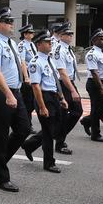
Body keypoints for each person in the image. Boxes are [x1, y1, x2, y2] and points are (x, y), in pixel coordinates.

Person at [0, 7, 31, 192]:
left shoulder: (11, 43)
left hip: (14, 91)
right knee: (0, 136)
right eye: (8, 22)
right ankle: (2, 178)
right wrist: (8, 94)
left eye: (12, 22)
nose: (12, 25)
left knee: (24, 129)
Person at [21, 30, 68, 172]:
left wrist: (62, 98)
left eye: (50, 42)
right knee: (48, 132)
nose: (50, 44)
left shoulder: (50, 59)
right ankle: (49, 163)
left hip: (53, 97)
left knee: (56, 128)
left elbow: (55, 81)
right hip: (44, 98)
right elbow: (36, 86)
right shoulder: (35, 63)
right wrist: (42, 107)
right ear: (39, 44)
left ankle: (29, 144)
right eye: (47, 42)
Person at [52, 23, 82, 155]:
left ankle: (58, 136)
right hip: (63, 84)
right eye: (68, 34)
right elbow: (62, 73)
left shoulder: (68, 49)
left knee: (74, 112)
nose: (70, 36)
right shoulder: (59, 50)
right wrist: (73, 90)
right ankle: (59, 141)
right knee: (67, 114)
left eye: (71, 34)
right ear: (61, 35)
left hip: (69, 82)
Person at [80, 28, 103, 142]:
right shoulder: (92, 54)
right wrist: (102, 88)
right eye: (101, 38)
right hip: (95, 83)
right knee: (96, 107)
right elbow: (94, 72)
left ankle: (87, 120)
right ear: (94, 40)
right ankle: (95, 134)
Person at [18, 24, 37, 130]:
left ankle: (26, 124)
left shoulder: (32, 45)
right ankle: (26, 125)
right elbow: (22, 62)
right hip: (27, 75)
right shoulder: (22, 45)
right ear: (25, 34)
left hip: (33, 74)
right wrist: (26, 77)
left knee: (31, 102)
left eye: (33, 32)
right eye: (30, 32)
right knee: (28, 101)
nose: (32, 34)